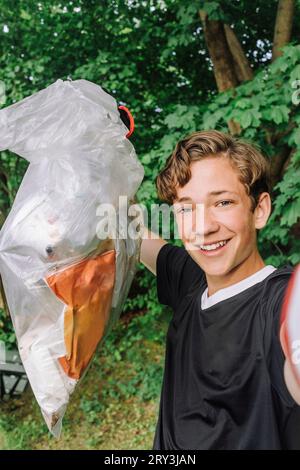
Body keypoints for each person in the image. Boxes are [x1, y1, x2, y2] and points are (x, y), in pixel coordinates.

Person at [139, 130, 300, 450]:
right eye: (186, 208)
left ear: (260, 210)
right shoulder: (190, 280)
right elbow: (129, 230)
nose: (203, 226)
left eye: (223, 202)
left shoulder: (278, 304)